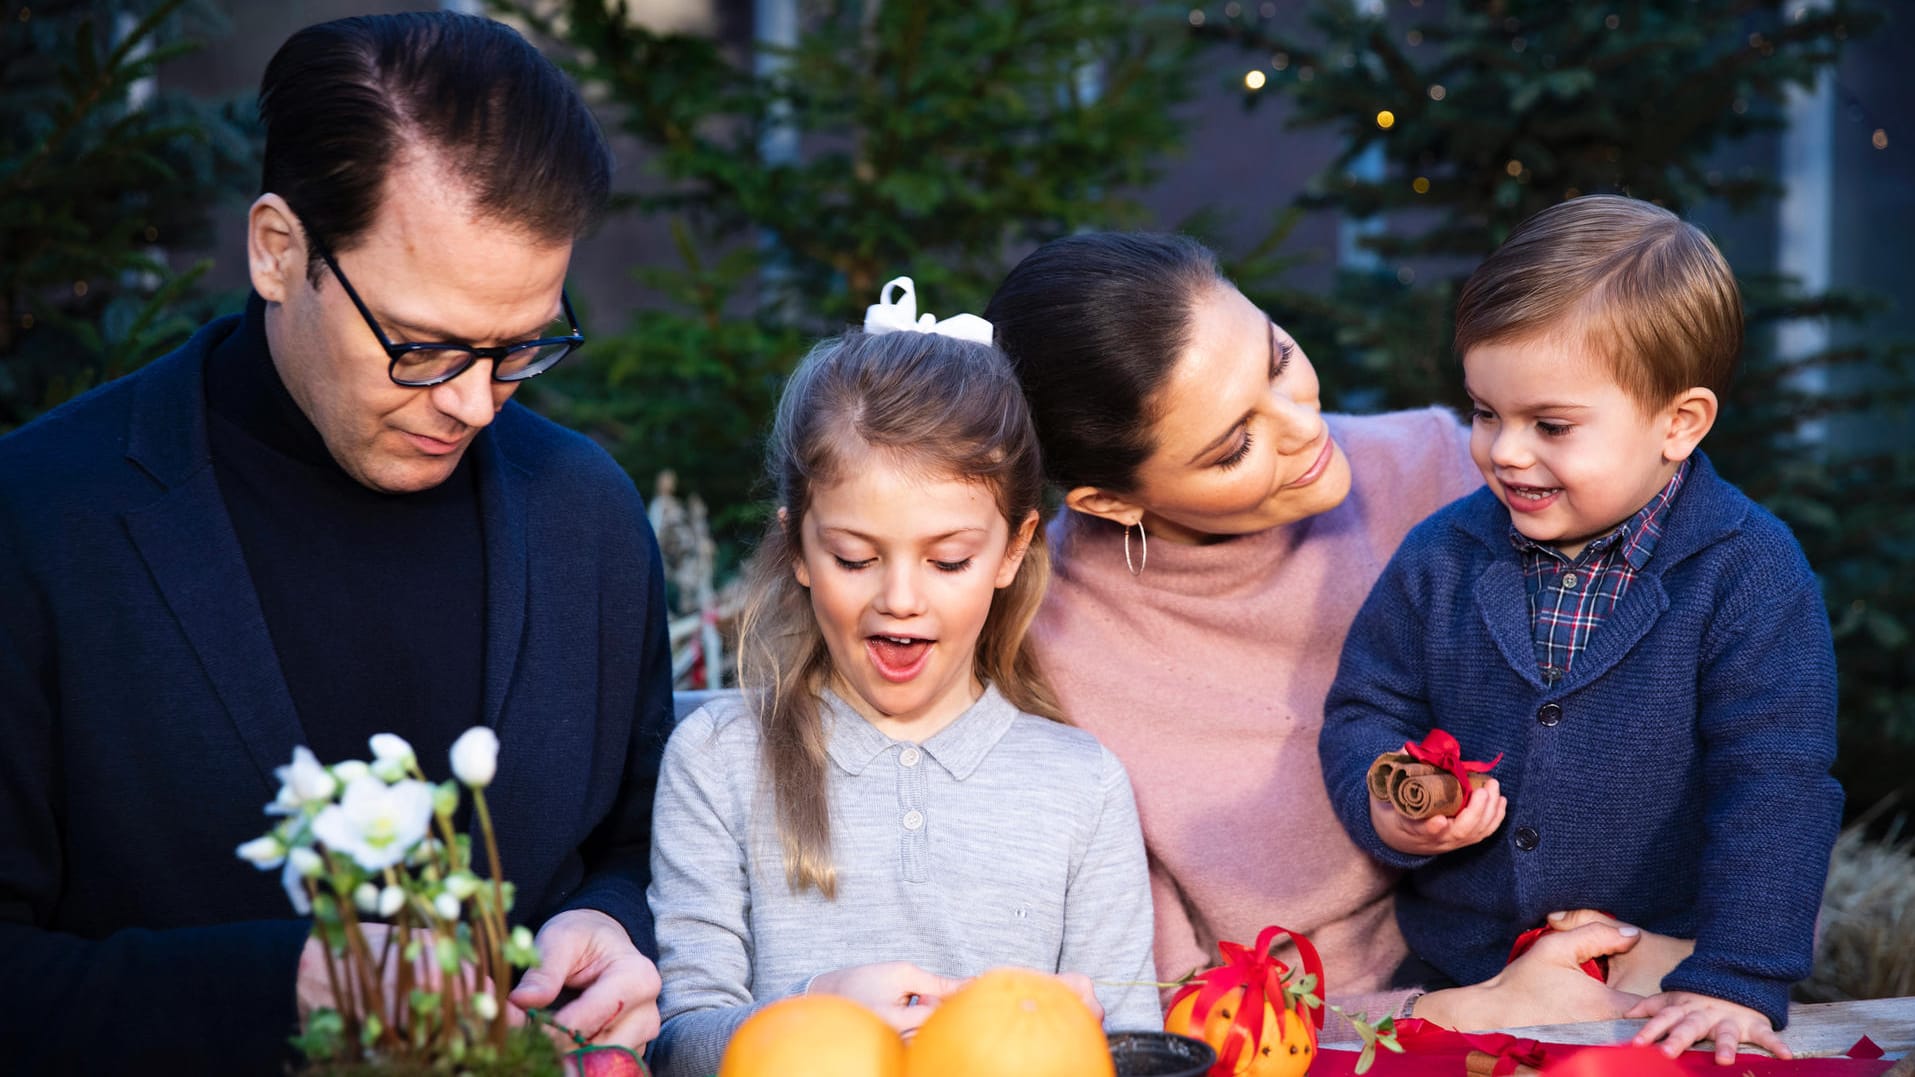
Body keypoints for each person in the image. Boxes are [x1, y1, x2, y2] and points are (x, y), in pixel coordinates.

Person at [0, 13, 673, 1072]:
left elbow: (635, 847)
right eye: (423, 346)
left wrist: (613, 927)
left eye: (521, 347)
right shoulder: (38, 520)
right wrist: (284, 985)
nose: (474, 403)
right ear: (278, 251)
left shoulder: (585, 516)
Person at [985, 231, 1669, 1032]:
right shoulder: (1049, 660)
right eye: (1234, 445)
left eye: (1276, 359)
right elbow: (1167, 1008)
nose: (1304, 427)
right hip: (1336, 1038)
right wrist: (1458, 1012)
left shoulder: (1444, 469)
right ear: (1110, 503)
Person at [1318, 195, 1841, 1062]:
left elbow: (1776, 782)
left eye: (1549, 425)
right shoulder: (1443, 553)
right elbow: (1367, 703)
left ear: (1679, 422)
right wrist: (1390, 796)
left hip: (1660, 977)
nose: (1505, 451)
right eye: (1485, 413)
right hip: (1466, 978)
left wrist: (1735, 973)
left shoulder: (1747, 573)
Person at [646, 280, 1160, 1077]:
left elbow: (1132, 1040)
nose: (900, 599)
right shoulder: (716, 759)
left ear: (1012, 549)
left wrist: (1083, 1033)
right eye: (854, 557)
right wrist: (815, 1007)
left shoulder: (1080, 784)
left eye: (948, 559)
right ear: (799, 550)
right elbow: (678, 1042)